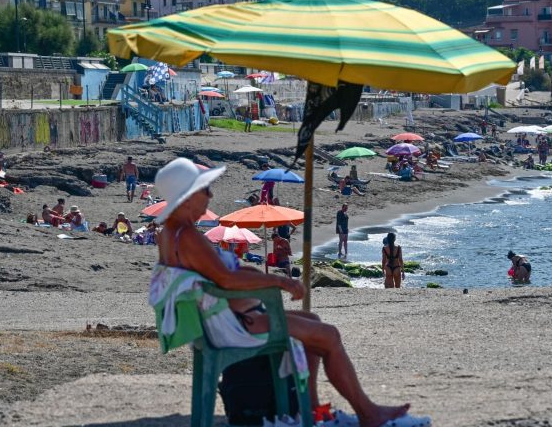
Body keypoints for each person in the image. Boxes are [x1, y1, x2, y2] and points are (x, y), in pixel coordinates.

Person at [152, 158, 416, 426]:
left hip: (220, 321)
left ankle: (309, 410)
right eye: (204, 189)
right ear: (186, 197)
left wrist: (258, 278)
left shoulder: (171, 234)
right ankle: (368, 413)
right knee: (329, 336)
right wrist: (280, 283)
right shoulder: (187, 236)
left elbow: (216, 277)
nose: (211, 194)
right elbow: (225, 279)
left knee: (313, 324)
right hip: (235, 326)